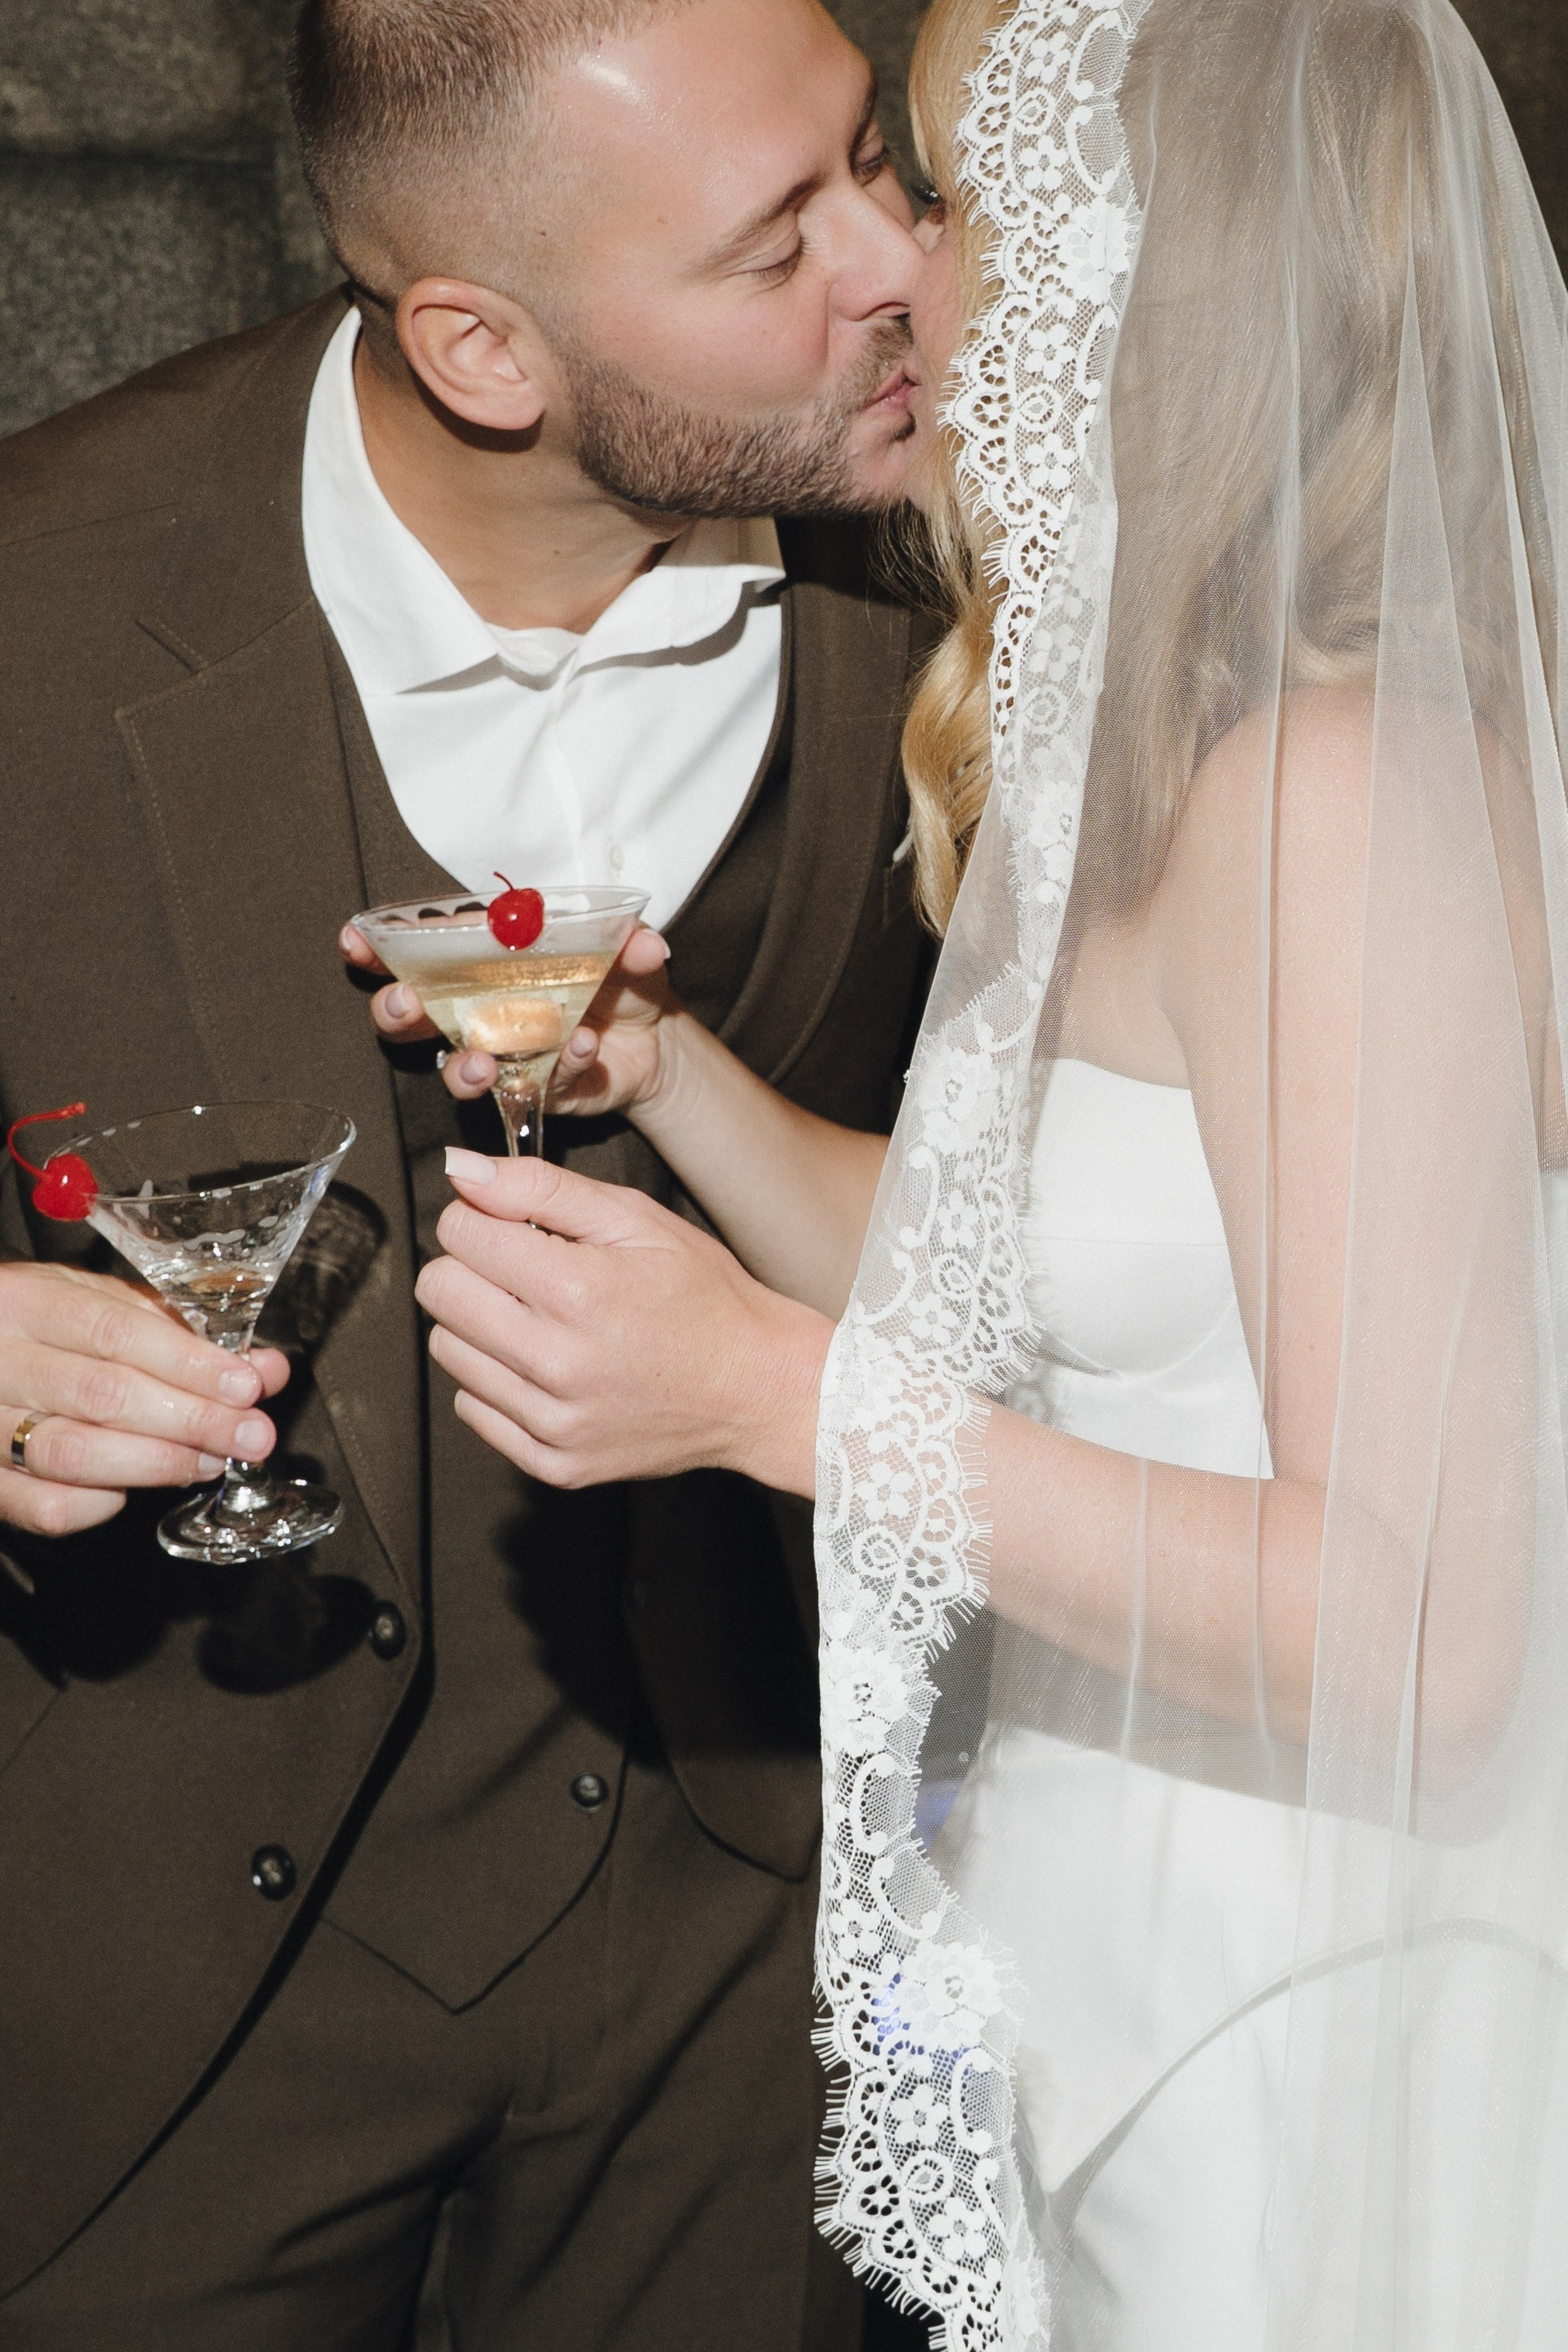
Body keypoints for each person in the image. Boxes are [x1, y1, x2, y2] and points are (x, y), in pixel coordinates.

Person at [412, 0, 1568, 2343]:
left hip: (1314, 2005)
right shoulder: (1170, 720)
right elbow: (1016, 1278)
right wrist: (667, 1070)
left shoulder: (1332, 791)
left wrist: (770, 1402)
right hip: (1121, 1936)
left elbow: (1425, 1637)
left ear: (1132, 270)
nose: (891, 270)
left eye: (936, 195)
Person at [0, 1, 938, 2343]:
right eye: (775, 246)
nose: (903, 267)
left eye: (877, 163)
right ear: (481, 346)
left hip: (762, 1931)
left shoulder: (981, 559)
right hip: (152, 1960)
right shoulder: (36, 596)